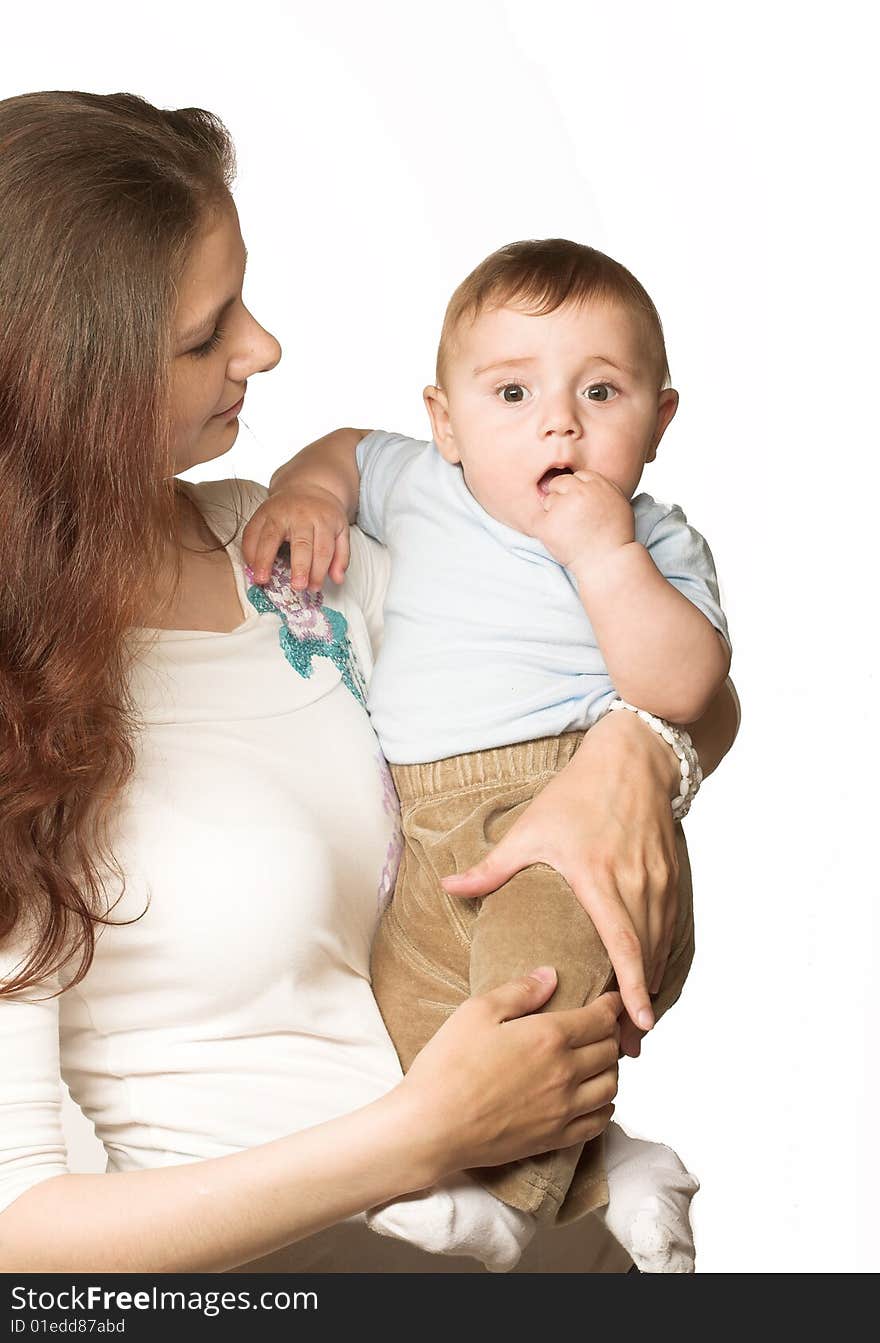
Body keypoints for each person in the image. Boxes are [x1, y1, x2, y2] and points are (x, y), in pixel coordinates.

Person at [0, 91, 738, 1275]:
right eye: (206, 335)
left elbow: (663, 672)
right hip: (292, 1282)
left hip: (548, 1252)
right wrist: (419, 1138)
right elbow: (15, 1233)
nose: (265, 348)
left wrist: (632, 760)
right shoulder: (17, 700)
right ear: (66, 386)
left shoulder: (291, 552)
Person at [242, 239, 732, 1271]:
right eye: (512, 390)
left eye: (600, 391)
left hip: (569, 819)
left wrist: (603, 556)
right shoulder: (417, 480)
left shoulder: (654, 539)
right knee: (415, 1022)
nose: (558, 420)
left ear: (660, 419)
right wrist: (308, 494)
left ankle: (504, 1202)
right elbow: (340, 448)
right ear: (445, 419)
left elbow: (689, 688)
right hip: (421, 829)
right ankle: (615, 1170)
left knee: (532, 984)